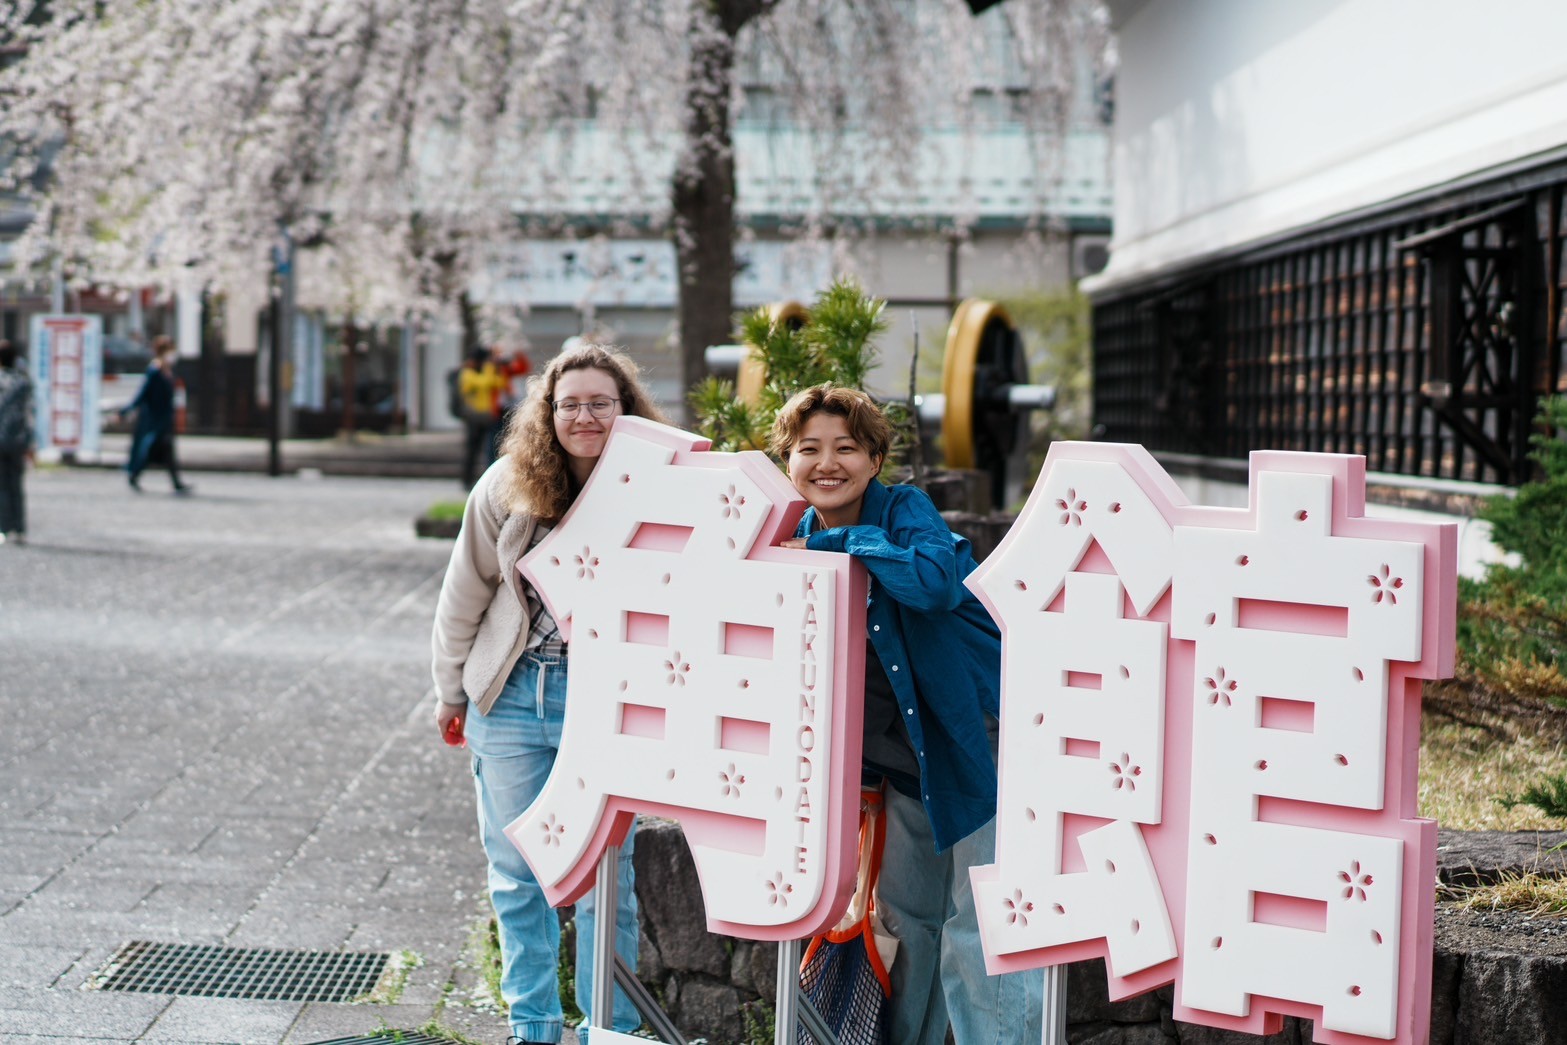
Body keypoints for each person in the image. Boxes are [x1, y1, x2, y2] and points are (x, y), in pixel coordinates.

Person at [771, 384, 1043, 1044]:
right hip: (898, 762)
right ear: (785, 458)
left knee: (981, 920)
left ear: (873, 458)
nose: (826, 462)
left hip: (977, 740)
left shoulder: (903, 511)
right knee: (905, 918)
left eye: (846, 447)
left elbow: (932, 581)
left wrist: (848, 544)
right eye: (808, 448)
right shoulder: (787, 542)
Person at [431, 342, 666, 1045]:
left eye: (600, 402)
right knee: (515, 871)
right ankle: (532, 1026)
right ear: (548, 412)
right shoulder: (507, 485)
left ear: (625, 410)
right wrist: (449, 691)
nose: (585, 416)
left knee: (605, 876)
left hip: (604, 702)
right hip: (508, 695)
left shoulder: (654, 488)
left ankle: (608, 1028)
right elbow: (462, 594)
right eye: (570, 404)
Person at [121, 336, 191, 494]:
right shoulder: (154, 371)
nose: (173, 355)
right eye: (170, 351)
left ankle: (175, 482)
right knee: (153, 449)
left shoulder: (168, 371)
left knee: (166, 450)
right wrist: (126, 410)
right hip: (154, 419)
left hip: (165, 419)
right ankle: (135, 474)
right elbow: (142, 395)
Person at [0, 340, 34, 545]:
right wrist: (30, 443)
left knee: (1, 485)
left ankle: (4, 528)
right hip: (17, 440)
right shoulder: (23, 382)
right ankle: (19, 529)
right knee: (16, 485)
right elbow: (29, 414)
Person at [458, 346, 507, 488]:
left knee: (491, 450)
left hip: (488, 416)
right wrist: (489, 367)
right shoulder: (467, 373)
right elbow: (485, 383)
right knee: (472, 450)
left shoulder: (484, 372)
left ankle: (488, 480)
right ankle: (467, 481)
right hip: (474, 418)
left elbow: (500, 382)